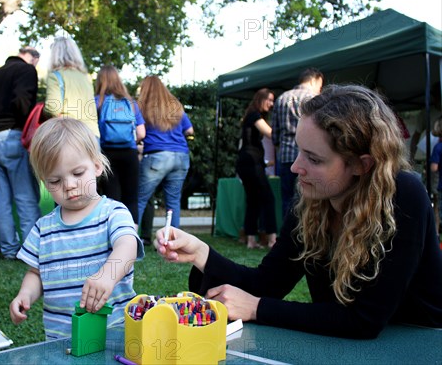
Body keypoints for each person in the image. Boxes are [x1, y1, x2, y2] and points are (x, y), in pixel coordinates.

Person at [155, 84, 442, 339]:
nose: (295, 167)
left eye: (314, 158)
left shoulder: (403, 196)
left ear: (361, 165)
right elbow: (266, 284)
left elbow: (363, 320)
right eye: (300, 151)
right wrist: (200, 253)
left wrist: (257, 308)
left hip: (421, 342)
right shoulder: (312, 200)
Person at [9, 118, 144, 340]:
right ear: (44, 182)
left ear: (97, 166)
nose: (69, 185)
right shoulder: (44, 228)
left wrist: (107, 275)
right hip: (61, 340)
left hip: (115, 335)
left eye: (78, 173)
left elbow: (127, 246)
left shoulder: (112, 212)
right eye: (55, 181)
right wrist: (25, 294)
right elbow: (35, 273)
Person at [0, 47, 42, 260]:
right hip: (14, 136)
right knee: (26, 197)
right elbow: (22, 102)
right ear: (33, 59)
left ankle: (9, 250)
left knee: (2, 200)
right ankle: (32, 250)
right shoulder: (26, 71)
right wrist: (28, 130)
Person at [137, 75, 194, 245]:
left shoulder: (143, 106)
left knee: (140, 199)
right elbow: (190, 130)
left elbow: (140, 132)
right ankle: (172, 243)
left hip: (157, 157)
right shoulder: (175, 106)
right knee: (173, 202)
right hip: (181, 156)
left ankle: (129, 241)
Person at [95, 65, 146, 224]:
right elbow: (142, 133)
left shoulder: (97, 101)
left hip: (107, 154)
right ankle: (133, 239)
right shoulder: (131, 104)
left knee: (112, 198)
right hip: (129, 153)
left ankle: (113, 236)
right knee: (131, 197)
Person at [271, 68, 323, 219]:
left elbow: (275, 133)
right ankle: (306, 234)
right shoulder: (315, 99)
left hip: (286, 156)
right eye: (320, 85)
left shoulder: (282, 98)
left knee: (287, 198)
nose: (320, 89)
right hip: (310, 157)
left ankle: (288, 237)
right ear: (314, 80)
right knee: (310, 200)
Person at [235, 88, 277, 249]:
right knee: (268, 198)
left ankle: (251, 240)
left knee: (253, 201)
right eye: (270, 100)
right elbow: (270, 134)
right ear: (261, 99)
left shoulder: (248, 116)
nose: (271, 104)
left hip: (246, 163)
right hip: (251, 163)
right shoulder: (254, 116)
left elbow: (243, 144)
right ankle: (273, 239)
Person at [44, 36, 99, 137]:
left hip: (69, 133)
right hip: (92, 133)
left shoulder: (56, 75)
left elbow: (52, 108)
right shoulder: (86, 77)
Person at [430, 115, 442, 234]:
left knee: (438, 210)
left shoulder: (438, 147)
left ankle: (437, 234)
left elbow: (434, 168)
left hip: (440, 184)